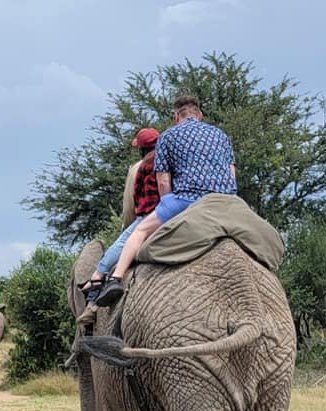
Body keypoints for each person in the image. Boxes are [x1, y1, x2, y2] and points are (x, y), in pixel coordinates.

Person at [95, 95, 237, 307]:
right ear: (200, 114)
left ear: (176, 116)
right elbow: (231, 173)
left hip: (186, 199)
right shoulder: (221, 135)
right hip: (225, 202)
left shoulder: (167, 137)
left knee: (139, 232)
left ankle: (115, 278)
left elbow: (163, 182)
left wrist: (169, 206)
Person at [77, 127, 160, 324]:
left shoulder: (138, 168)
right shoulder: (173, 160)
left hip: (148, 218)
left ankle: (95, 291)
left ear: (140, 149)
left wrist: (127, 229)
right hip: (176, 213)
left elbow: (129, 207)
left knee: (123, 244)